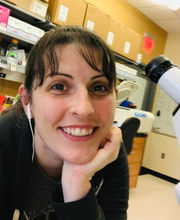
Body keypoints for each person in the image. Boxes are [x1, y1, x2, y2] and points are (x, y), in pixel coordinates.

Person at [0, 26, 129, 220]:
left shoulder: (110, 154)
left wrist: (77, 182)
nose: (84, 109)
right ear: (28, 101)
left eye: (99, 87)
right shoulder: (4, 141)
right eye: (59, 86)